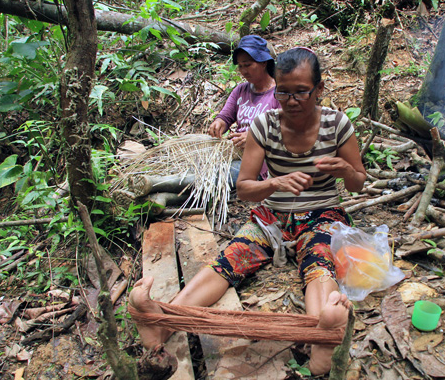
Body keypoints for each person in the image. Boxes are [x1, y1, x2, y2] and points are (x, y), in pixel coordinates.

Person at [130, 47, 367, 375]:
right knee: (230, 260)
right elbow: (244, 187)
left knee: (319, 262)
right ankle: (161, 322)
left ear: (319, 90)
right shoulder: (264, 126)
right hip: (272, 216)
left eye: (302, 91)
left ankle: (321, 334)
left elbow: (358, 183)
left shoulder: (338, 125)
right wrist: (275, 184)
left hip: (321, 213)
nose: (292, 99)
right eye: (283, 91)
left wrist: (344, 169)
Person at [208, 35, 280, 182]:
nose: (243, 71)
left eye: (248, 65)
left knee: (215, 178)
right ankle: (158, 190)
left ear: (264, 62)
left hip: (262, 161)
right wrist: (219, 123)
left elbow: (287, 132)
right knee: (205, 171)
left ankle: (156, 186)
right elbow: (225, 116)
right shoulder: (240, 90)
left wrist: (255, 137)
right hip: (237, 152)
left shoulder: (281, 93)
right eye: (240, 66)